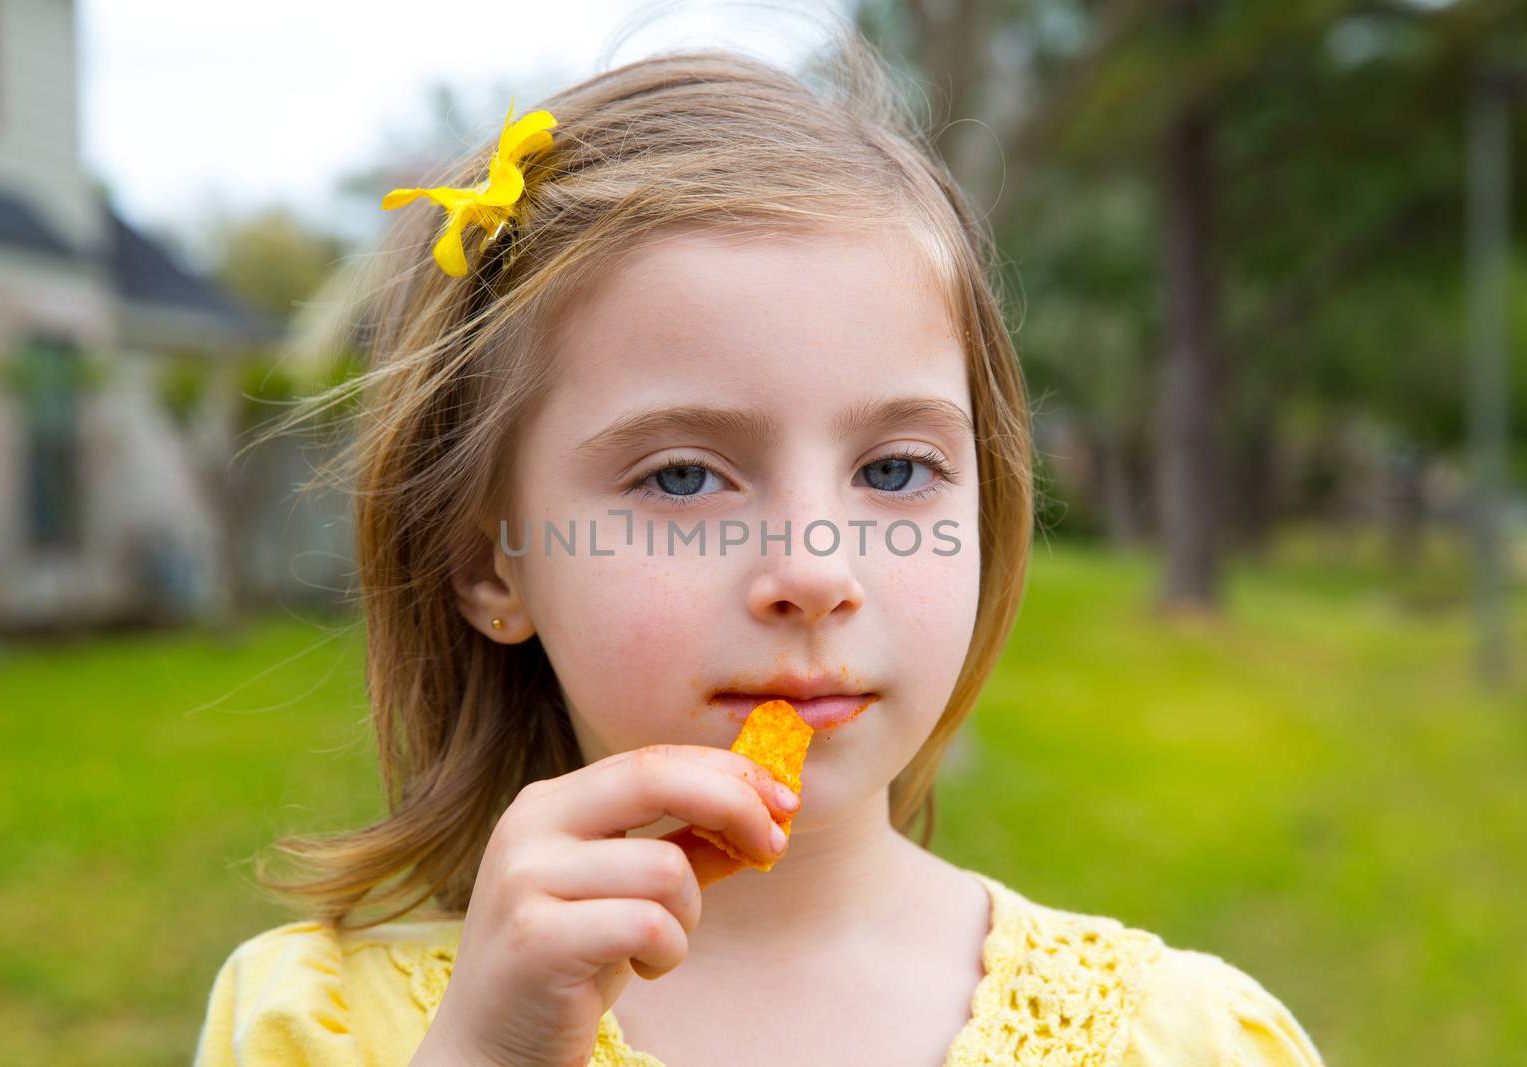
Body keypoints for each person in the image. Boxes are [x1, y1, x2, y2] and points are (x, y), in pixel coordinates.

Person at [192, 27, 1327, 1067]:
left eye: (894, 470)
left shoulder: (1185, 1038)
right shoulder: (323, 1021)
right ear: (492, 563)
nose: (814, 572)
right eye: (683, 476)